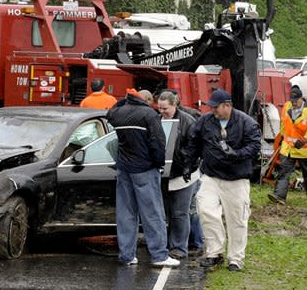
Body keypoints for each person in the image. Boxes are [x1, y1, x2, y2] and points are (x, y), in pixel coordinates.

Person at [186, 89, 261, 271]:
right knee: (206, 211)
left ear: (227, 105)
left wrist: (237, 154)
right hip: (211, 176)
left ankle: (235, 258)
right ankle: (214, 253)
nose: (213, 110)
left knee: (237, 220)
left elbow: (254, 146)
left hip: (236, 179)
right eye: (211, 107)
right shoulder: (206, 121)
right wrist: (189, 165)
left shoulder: (246, 122)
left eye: (216, 107)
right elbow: (194, 142)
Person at [107, 88, 180, 267]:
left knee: (126, 214)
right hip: (145, 169)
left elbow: (110, 112)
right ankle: (159, 255)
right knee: (152, 213)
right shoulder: (149, 114)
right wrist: (159, 164)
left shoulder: (119, 114)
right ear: (145, 100)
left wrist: (124, 100)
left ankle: (126, 255)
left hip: (124, 170)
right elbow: (158, 143)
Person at [157, 91, 200, 259]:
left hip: (183, 175)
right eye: (159, 108)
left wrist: (184, 164)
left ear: (175, 105)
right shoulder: (156, 119)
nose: (161, 111)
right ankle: (168, 243)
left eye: (165, 108)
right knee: (166, 212)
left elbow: (194, 147)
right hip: (164, 174)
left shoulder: (188, 121)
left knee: (180, 212)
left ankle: (179, 248)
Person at [268, 86, 307, 206]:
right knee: (284, 172)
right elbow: (283, 123)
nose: (294, 103)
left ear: (302, 98)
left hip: (304, 150)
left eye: (296, 101)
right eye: (292, 100)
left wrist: (304, 140)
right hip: (288, 148)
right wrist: (281, 137)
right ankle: (279, 196)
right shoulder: (287, 106)